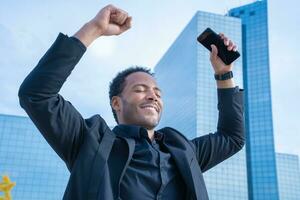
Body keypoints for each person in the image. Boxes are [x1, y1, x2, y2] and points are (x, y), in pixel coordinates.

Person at [18, 4, 244, 200]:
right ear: (116, 103)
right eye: (140, 89)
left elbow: (231, 137)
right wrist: (94, 29)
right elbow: (37, 94)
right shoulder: (89, 142)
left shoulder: (184, 151)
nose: (153, 96)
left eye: (157, 92)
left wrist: (224, 73)